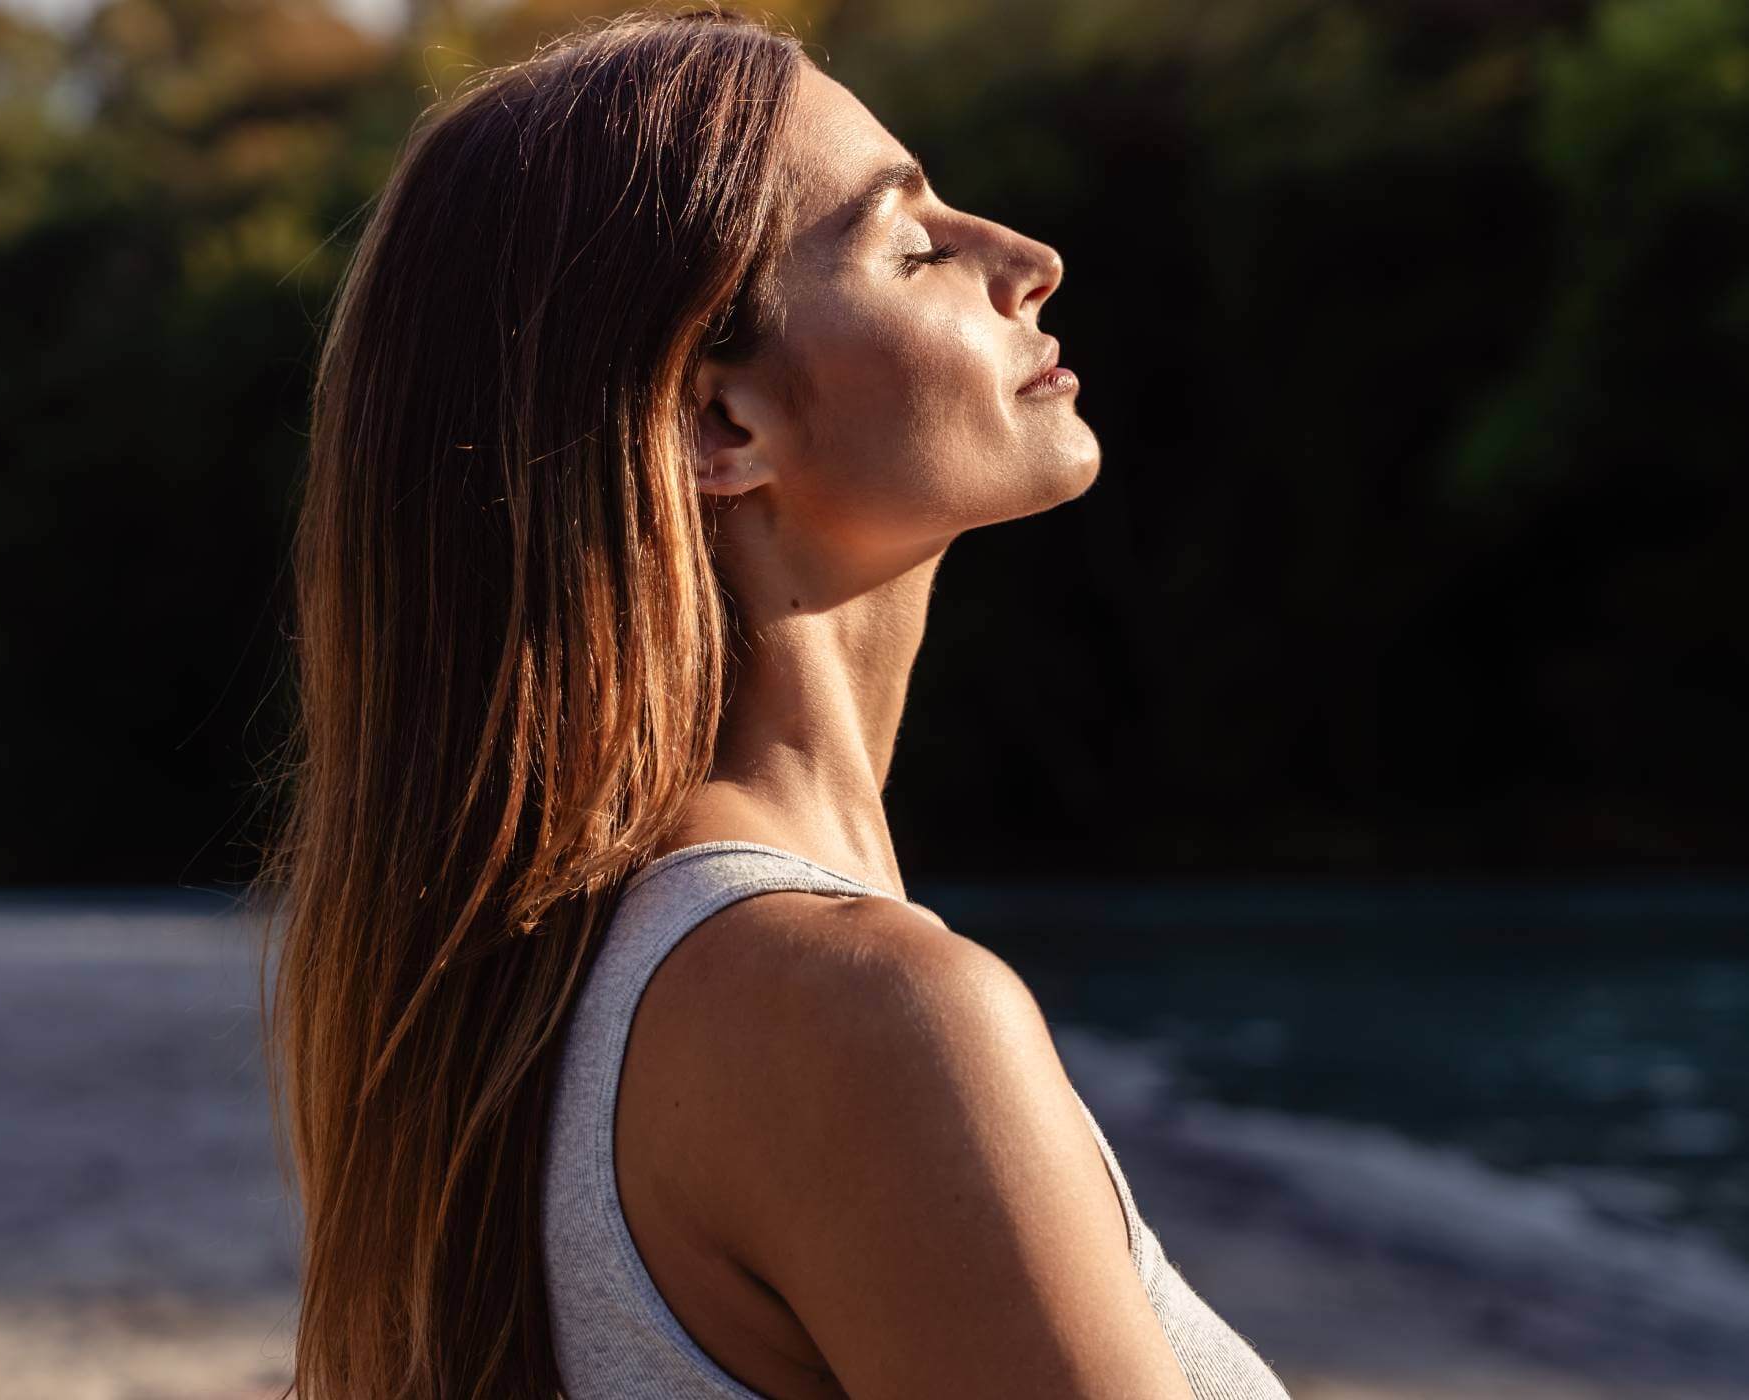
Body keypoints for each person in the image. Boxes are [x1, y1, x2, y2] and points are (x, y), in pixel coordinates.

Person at [256, 6, 1292, 1398]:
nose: (1029, 262)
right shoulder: (864, 1019)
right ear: (716, 428)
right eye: (912, 243)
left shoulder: (531, 1015)